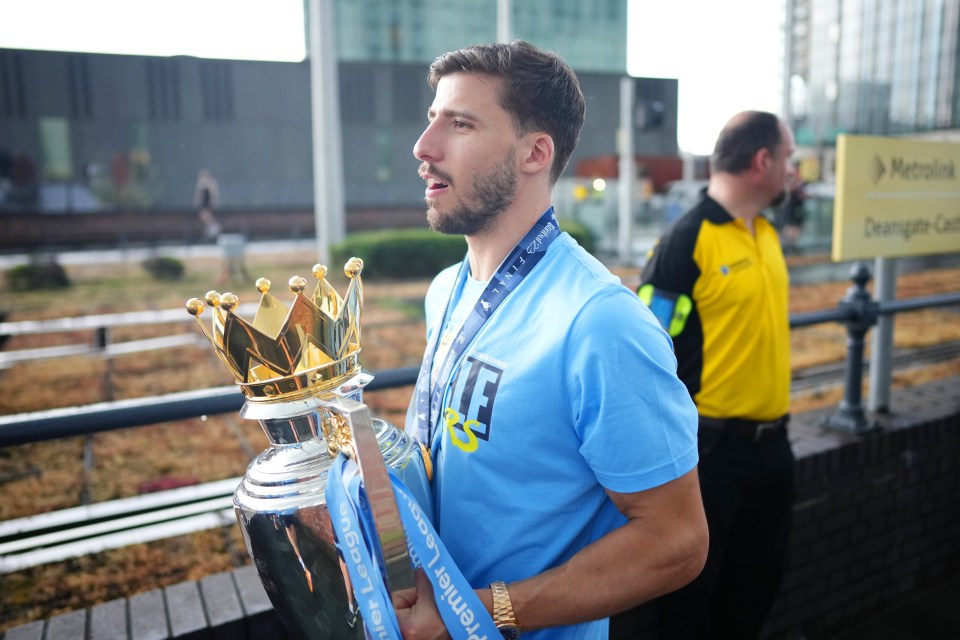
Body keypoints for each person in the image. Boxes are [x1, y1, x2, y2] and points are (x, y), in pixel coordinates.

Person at [396, 40, 708, 640]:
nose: (424, 147)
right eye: (432, 118)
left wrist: (477, 611)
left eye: (459, 124)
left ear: (535, 152)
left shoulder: (600, 322)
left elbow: (677, 542)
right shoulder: (446, 290)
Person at [631, 110, 797, 639]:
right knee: (691, 605)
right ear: (762, 161)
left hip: (776, 448)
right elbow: (646, 351)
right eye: (789, 158)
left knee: (757, 587)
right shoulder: (687, 242)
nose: (794, 171)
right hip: (711, 455)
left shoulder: (767, 232)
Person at [778, 172, 806, 253]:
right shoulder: (783, 196)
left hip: (791, 223)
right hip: (786, 223)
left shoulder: (796, 195)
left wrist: (794, 225)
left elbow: (799, 211)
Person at [193, 168, 221, 240]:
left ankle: (213, 226)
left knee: (205, 214)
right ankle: (210, 227)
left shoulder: (211, 183)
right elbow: (199, 195)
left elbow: (214, 193)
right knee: (203, 214)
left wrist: (213, 201)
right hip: (204, 203)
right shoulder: (202, 183)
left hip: (207, 202)